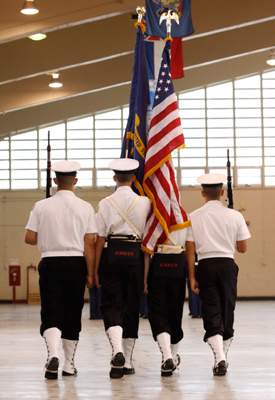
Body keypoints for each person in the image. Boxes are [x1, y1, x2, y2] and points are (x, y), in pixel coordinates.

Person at [24, 160, 97, 379]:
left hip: (50, 262)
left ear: (55, 181)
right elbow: (89, 244)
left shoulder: (41, 206)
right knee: (72, 313)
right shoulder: (85, 207)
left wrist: (48, 235)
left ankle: (52, 355)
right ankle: (69, 365)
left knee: (51, 311)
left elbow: (29, 238)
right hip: (76, 263)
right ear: (75, 181)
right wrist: (91, 273)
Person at [185, 173, 251, 376]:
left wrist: (192, 276)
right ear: (222, 192)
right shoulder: (235, 216)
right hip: (227, 265)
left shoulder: (193, 216)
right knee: (227, 311)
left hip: (205, 265)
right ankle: (221, 357)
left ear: (202, 193)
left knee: (211, 310)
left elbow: (190, 249)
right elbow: (242, 249)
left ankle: (219, 357)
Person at [94, 158, 151, 379]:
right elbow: (147, 243)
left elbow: (99, 239)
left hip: (111, 254)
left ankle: (116, 350)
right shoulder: (145, 202)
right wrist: (146, 276)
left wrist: (96, 269)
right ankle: (126, 361)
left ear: (114, 178)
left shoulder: (105, 203)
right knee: (132, 306)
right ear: (134, 178)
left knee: (111, 303)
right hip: (135, 255)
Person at [144, 227, 189, 377]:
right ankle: (173, 355)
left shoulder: (153, 218)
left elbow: (146, 250)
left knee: (158, 312)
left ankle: (167, 356)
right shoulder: (185, 220)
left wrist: (144, 279)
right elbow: (189, 248)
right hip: (178, 263)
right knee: (176, 312)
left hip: (158, 262)